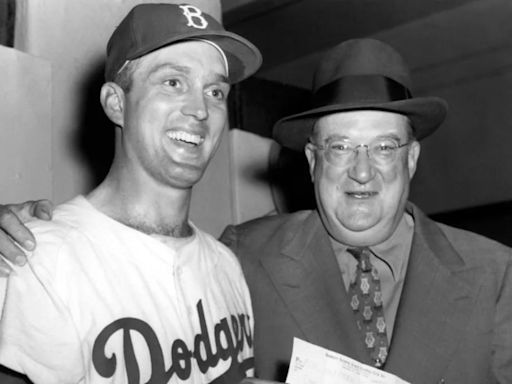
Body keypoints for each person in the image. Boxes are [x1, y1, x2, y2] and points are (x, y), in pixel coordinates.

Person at [1, 39, 512, 384]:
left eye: (383, 148)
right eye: (338, 148)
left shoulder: (496, 274)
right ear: (312, 160)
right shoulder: (241, 256)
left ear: (412, 158)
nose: (361, 172)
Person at [0, 3, 263, 383]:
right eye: (173, 82)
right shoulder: (38, 259)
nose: (200, 110)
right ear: (116, 103)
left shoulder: (226, 266)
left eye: (216, 91)